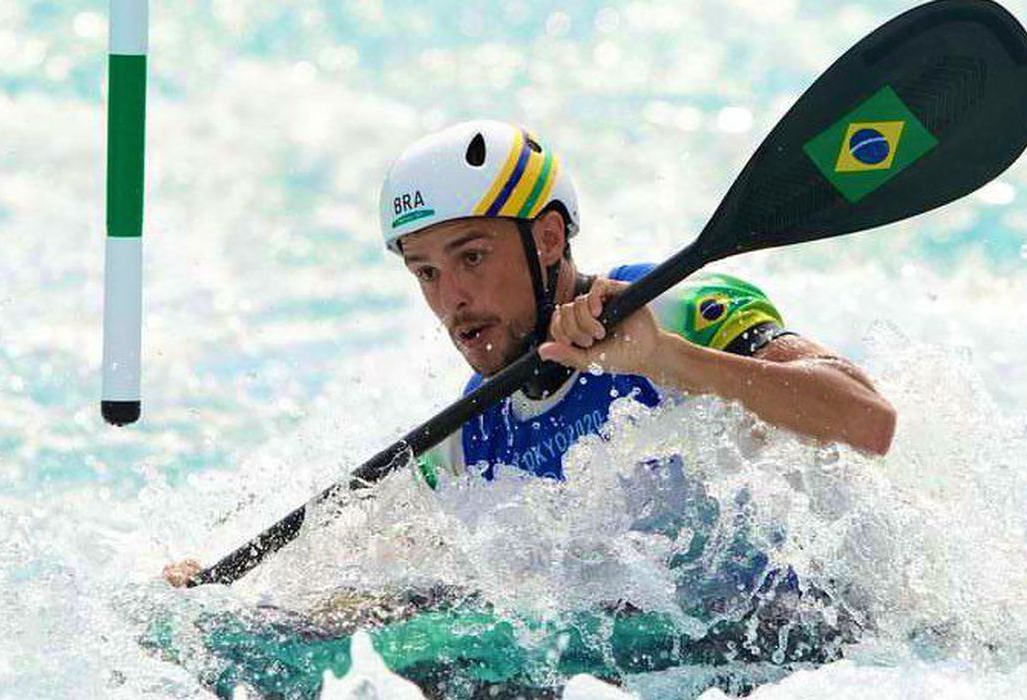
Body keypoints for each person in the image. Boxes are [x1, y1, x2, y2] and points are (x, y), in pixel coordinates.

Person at [164, 119, 895, 587]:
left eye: (472, 257)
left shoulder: (673, 307)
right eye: (426, 273)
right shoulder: (467, 439)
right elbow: (391, 586)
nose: (451, 298)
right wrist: (229, 610)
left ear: (546, 239)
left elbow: (868, 420)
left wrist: (667, 360)